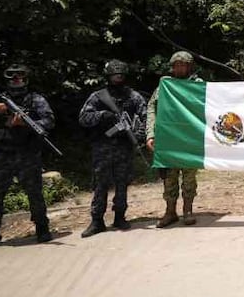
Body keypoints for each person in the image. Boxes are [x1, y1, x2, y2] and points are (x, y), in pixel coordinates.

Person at [0, 65, 54, 252]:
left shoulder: (35, 100)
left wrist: (23, 122)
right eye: (13, 77)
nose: (17, 80)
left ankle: (42, 228)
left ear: (26, 79)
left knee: (35, 193)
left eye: (20, 77)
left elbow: (49, 121)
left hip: (27, 153)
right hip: (1, 154)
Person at [78, 60, 147, 237]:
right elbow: (83, 118)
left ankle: (120, 216)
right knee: (100, 184)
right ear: (108, 77)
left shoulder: (134, 97)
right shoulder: (98, 96)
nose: (118, 79)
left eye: (121, 76)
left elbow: (146, 118)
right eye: (114, 76)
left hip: (124, 146)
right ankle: (97, 221)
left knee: (122, 183)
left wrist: (138, 134)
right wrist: (102, 115)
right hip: (102, 146)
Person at [146, 51, 203, 228]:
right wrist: (150, 134)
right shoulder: (166, 85)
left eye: (183, 65)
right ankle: (170, 211)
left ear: (189, 66)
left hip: (190, 139)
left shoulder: (198, 85)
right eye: (176, 65)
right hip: (168, 139)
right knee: (169, 177)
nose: (179, 68)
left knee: (189, 177)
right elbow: (152, 109)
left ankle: (188, 210)